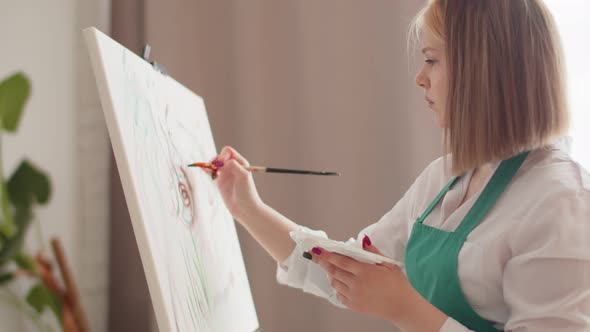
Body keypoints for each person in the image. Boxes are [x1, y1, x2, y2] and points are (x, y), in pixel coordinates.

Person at [207, 0, 590, 331]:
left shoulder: (559, 202)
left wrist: (404, 307)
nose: (420, 78)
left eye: (432, 60)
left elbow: (392, 297)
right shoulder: (447, 177)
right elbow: (344, 271)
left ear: (484, 68)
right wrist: (246, 207)